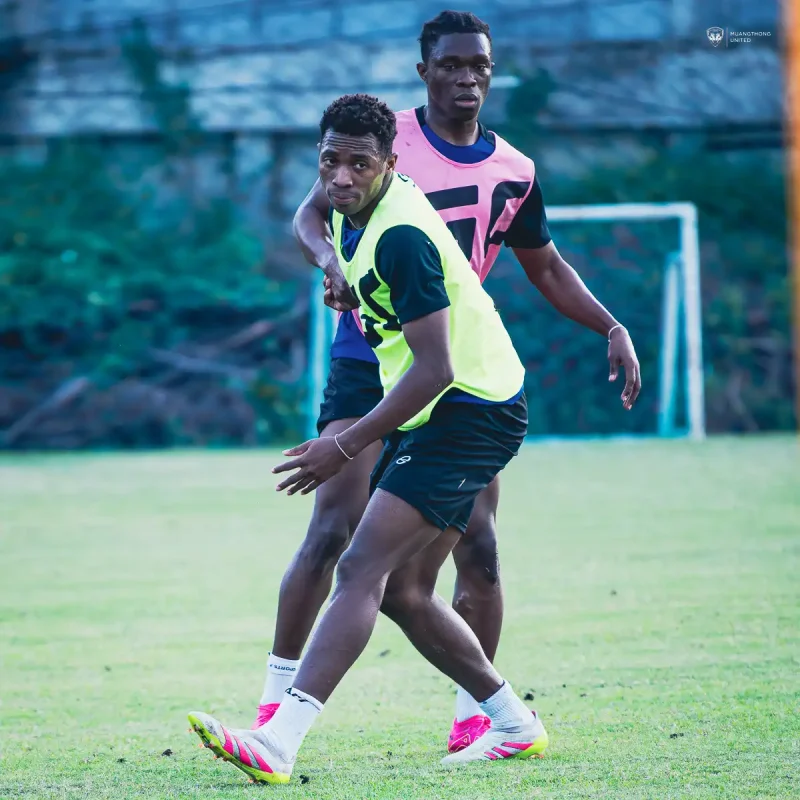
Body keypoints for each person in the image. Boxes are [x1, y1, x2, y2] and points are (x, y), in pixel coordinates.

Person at [253, 8, 641, 755]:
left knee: (478, 553)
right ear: (424, 69)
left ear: (491, 75)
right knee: (335, 533)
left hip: (455, 375)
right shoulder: (373, 141)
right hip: (370, 364)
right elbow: (309, 219)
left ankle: (482, 715)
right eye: (452, 64)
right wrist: (330, 263)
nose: (466, 78)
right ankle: (275, 712)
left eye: (479, 67)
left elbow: (548, 267)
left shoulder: (515, 171)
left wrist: (611, 326)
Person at [190, 92, 551, 785]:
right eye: (331, 162)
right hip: (449, 408)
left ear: (390, 164)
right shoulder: (351, 211)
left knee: (359, 568)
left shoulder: (402, 237)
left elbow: (437, 368)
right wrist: (331, 264)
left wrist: (345, 444)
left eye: (360, 164)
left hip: (469, 408)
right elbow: (312, 218)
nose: (343, 177)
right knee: (405, 591)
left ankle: (279, 741)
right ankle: (512, 722)